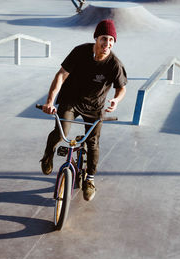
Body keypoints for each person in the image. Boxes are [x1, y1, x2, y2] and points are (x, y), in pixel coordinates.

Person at [40, 19, 127, 201]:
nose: (107, 44)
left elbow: (121, 88)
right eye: (104, 38)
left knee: (93, 143)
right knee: (62, 131)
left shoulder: (114, 64)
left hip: (95, 107)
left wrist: (116, 101)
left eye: (111, 40)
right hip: (71, 100)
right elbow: (61, 75)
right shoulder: (80, 52)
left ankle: (90, 178)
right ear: (96, 38)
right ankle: (48, 154)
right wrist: (50, 101)